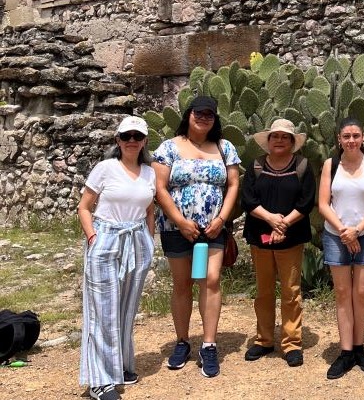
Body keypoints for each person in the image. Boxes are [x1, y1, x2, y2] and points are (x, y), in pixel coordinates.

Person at [152, 95, 241, 379]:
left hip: (212, 228)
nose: (203, 118)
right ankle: (182, 342)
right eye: (198, 113)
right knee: (182, 283)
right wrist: (179, 221)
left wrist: (221, 220)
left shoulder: (225, 148)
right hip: (177, 227)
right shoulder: (169, 148)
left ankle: (209, 344)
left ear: (215, 119)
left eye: (209, 115)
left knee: (210, 280)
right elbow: (160, 187)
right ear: (188, 114)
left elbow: (234, 185)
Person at [78, 116, 155, 400]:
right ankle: (99, 381)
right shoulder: (105, 168)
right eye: (126, 136)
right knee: (102, 310)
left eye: (137, 136)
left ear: (145, 140)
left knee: (126, 308)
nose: (131, 140)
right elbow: (84, 207)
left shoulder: (149, 173)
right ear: (118, 140)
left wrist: (149, 242)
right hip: (106, 237)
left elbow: (149, 210)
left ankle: (121, 366)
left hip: (136, 240)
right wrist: (93, 238)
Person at [241, 118, 315, 367]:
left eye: (285, 137)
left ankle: (291, 342)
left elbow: (306, 202)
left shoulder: (303, 166)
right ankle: (263, 340)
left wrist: (284, 224)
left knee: (291, 291)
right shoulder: (256, 166)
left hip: (291, 237)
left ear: (293, 142)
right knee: (263, 290)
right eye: (275, 136)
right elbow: (249, 200)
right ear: (268, 141)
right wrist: (272, 219)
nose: (280, 140)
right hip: (260, 236)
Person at [318, 116, 364, 380]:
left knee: (362, 291)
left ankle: (359, 347)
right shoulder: (330, 165)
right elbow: (324, 204)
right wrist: (345, 232)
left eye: (356, 136)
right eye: (346, 136)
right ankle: (346, 351)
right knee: (343, 293)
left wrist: (356, 230)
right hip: (336, 235)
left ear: (362, 138)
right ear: (339, 139)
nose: (351, 141)